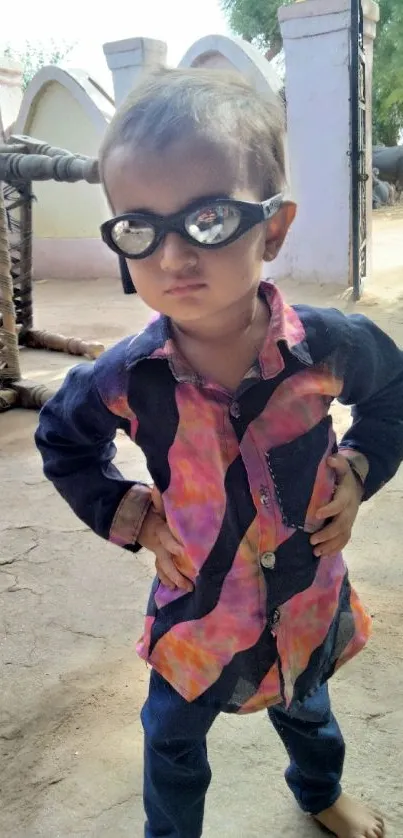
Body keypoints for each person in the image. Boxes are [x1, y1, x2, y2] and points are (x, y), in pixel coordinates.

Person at [35, 68, 403, 838]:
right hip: (197, 616)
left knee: (309, 713)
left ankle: (317, 793)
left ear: (271, 229)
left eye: (206, 219)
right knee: (170, 741)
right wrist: (126, 510)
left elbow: (392, 389)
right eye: (139, 227)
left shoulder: (328, 348)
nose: (171, 256)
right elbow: (63, 440)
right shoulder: (124, 378)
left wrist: (362, 467)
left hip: (303, 597)